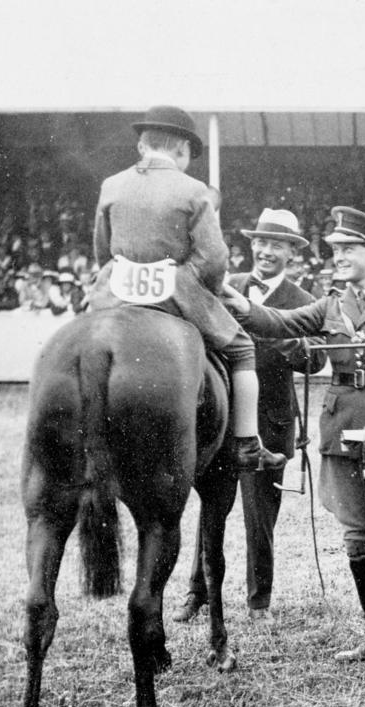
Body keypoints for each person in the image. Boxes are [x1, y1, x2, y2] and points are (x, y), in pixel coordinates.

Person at [221, 206, 365, 670]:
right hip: (338, 430)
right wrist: (241, 304)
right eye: (335, 249)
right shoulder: (332, 304)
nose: (339, 256)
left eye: (348, 248)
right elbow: (281, 323)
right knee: (355, 538)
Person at [87, 105, 283, 473]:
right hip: (175, 291)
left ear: (143, 146)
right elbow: (213, 259)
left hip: (115, 291)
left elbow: (102, 248)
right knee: (242, 349)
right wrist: (191, 282)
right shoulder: (194, 190)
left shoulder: (111, 185)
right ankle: (246, 444)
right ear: (180, 149)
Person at [174, 208, 328, 625]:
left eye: (276, 245)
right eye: (261, 242)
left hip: (271, 424)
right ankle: (197, 593)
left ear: (292, 253)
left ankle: (259, 602)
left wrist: (279, 340)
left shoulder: (305, 301)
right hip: (222, 421)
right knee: (211, 510)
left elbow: (316, 360)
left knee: (261, 520)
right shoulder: (228, 287)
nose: (265, 251)